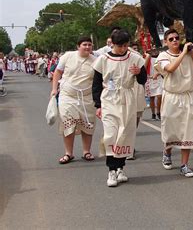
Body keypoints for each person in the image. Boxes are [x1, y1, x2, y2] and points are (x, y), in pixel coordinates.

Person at [92, 29, 146, 187]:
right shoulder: (103, 59)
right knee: (111, 134)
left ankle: (121, 168)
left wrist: (138, 73)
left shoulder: (135, 58)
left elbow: (143, 80)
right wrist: (98, 105)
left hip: (128, 98)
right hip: (109, 98)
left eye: (125, 45)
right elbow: (96, 83)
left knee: (125, 133)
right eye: (120, 46)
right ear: (113, 44)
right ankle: (111, 170)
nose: (123, 49)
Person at [156, 29, 193, 178]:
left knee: (187, 131)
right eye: (171, 39)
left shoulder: (189, 54)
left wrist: (192, 53)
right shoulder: (163, 56)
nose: (175, 41)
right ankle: (167, 152)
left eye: (177, 38)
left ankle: (184, 165)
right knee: (170, 130)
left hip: (187, 96)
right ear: (166, 42)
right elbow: (170, 68)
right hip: (171, 97)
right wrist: (183, 53)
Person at [51, 36, 97, 165]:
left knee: (87, 125)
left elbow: (101, 78)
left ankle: (86, 151)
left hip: (87, 98)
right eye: (84, 44)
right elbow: (58, 72)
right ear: (78, 46)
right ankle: (68, 153)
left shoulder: (96, 61)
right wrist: (54, 89)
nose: (87, 47)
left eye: (89, 44)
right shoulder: (68, 56)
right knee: (68, 123)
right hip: (68, 96)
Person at [146, 49, 163, 121]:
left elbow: (163, 68)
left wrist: (158, 73)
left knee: (159, 96)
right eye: (153, 50)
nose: (154, 51)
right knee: (152, 97)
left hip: (159, 78)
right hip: (150, 79)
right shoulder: (148, 57)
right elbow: (144, 66)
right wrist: (148, 56)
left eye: (155, 50)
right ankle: (153, 113)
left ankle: (158, 112)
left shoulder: (161, 57)